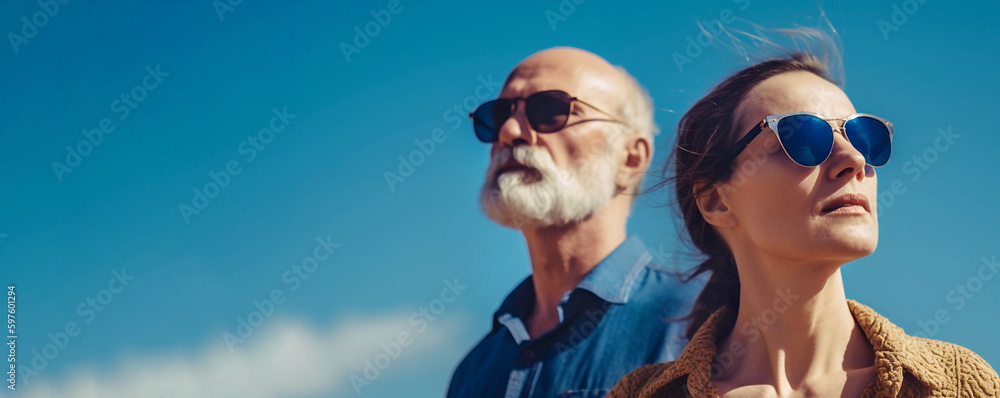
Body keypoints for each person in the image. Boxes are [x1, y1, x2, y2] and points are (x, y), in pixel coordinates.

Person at [608, 52, 1000, 397]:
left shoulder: (959, 384)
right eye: (804, 137)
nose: (854, 160)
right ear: (716, 200)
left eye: (865, 137)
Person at [446, 47, 707, 398]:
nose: (508, 132)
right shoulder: (473, 370)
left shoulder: (700, 316)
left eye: (551, 109)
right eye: (497, 115)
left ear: (630, 158)